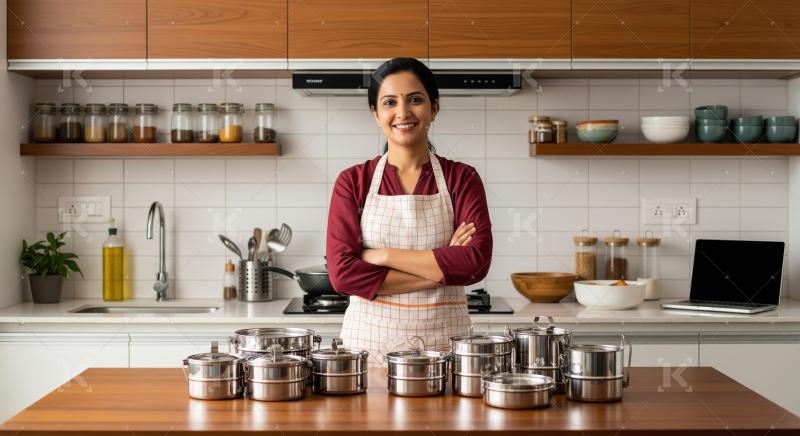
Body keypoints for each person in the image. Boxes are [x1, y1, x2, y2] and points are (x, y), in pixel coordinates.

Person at [325, 57, 493, 365]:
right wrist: (442, 269)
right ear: (376, 114)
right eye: (390, 102)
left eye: (415, 99)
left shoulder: (462, 178)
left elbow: (474, 264)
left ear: (434, 107)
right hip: (369, 353)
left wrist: (383, 255)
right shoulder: (353, 182)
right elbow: (343, 275)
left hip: (446, 352)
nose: (403, 113)